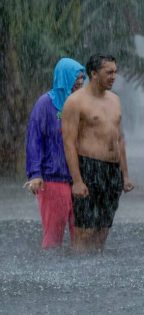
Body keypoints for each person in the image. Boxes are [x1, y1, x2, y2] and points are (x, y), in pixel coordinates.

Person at [62, 54, 134, 252]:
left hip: (112, 171)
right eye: (108, 72)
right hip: (89, 167)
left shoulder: (115, 100)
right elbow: (68, 143)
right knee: (85, 228)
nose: (113, 76)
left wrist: (125, 175)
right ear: (93, 73)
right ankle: (77, 271)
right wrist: (77, 180)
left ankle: (96, 273)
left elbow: (119, 139)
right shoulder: (75, 102)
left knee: (104, 227)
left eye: (115, 72)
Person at [25, 57, 85, 249]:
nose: (80, 84)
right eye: (76, 80)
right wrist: (35, 174)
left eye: (82, 80)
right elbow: (34, 139)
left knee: (82, 236)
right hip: (53, 178)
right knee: (53, 237)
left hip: (80, 179)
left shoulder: (83, 104)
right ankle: (49, 274)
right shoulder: (45, 104)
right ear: (63, 79)